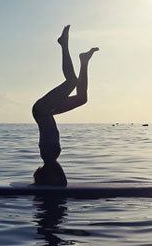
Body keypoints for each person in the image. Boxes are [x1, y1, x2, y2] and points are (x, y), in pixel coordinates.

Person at [32, 25, 98, 186]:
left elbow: (57, 181)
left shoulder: (47, 155)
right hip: (48, 112)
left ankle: (64, 44)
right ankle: (84, 61)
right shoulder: (52, 156)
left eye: (59, 175)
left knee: (71, 82)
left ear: (51, 175)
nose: (62, 172)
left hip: (41, 111)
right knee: (82, 99)